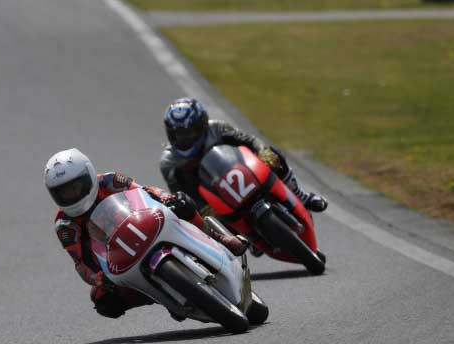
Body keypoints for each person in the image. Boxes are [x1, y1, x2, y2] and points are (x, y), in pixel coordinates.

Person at [45, 148, 248, 319]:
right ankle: (164, 295)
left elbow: (146, 191)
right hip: (119, 260)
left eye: (75, 187)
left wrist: (166, 199)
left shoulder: (110, 181)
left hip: (146, 225)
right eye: (64, 192)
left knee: (182, 203)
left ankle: (219, 238)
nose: (72, 195)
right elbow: (81, 263)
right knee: (103, 300)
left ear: (88, 175)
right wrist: (98, 278)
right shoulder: (65, 225)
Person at [160, 97, 328, 214]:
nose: (184, 139)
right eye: (178, 134)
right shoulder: (168, 162)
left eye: (190, 132)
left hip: (243, 173)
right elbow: (182, 195)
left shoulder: (217, 128)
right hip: (214, 201)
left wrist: (262, 153)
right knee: (203, 218)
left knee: (273, 155)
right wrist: (201, 210)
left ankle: (302, 197)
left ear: (203, 125)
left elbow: (250, 141)